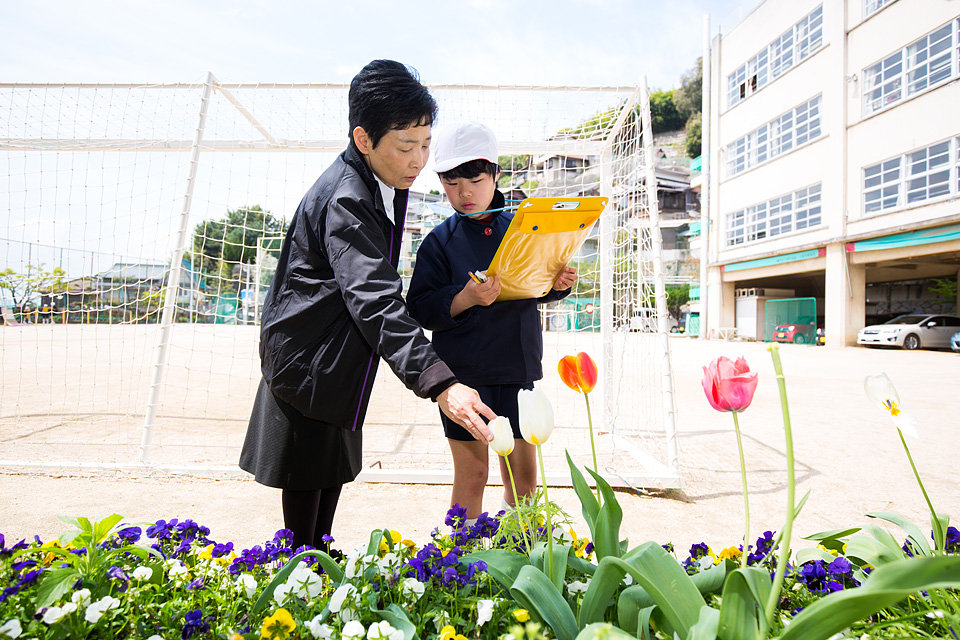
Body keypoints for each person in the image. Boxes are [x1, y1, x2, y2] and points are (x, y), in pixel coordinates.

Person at [239, 61, 496, 552]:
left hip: (336, 356)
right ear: (363, 139)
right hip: (309, 355)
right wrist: (441, 383)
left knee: (330, 467)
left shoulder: (381, 182)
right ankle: (301, 569)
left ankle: (318, 560)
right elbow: (375, 297)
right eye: (405, 146)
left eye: (426, 144)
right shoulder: (348, 197)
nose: (418, 160)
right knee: (308, 479)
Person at [406, 121, 578, 521]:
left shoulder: (524, 229)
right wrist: (464, 298)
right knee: (473, 473)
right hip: (464, 378)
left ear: (496, 175)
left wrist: (557, 285)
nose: (464, 192)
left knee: (523, 478)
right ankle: (461, 555)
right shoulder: (438, 242)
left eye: (475, 180)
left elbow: (535, 286)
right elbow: (419, 309)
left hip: (517, 367)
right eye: (451, 183)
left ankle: (518, 547)